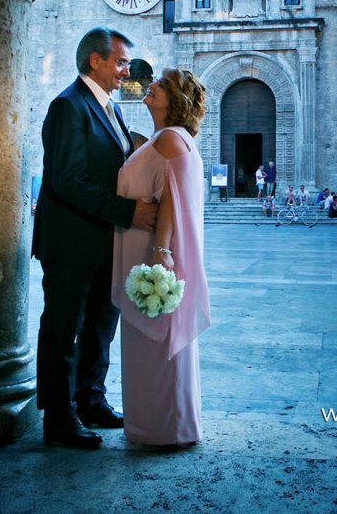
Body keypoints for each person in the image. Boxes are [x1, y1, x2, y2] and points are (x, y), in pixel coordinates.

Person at [32, 27, 157, 449]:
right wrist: (130, 213)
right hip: (70, 244)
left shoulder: (108, 107)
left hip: (104, 242)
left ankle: (90, 400)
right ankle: (58, 419)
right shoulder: (69, 106)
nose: (126, 70)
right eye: (120, 62)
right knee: (64, 330)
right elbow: (68, 182)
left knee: (100, 328)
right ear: (95, 61)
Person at [113, 68, 210, 447]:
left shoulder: (170, 138)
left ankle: (163, 428)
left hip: (152, 251)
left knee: (156, 341)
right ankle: (158, 424)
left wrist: (160, 251)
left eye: (161, 85)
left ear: (176, 100)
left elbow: (170, 196)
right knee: (148, 343)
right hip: (145, 248)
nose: (150, 85)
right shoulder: (162, 137)